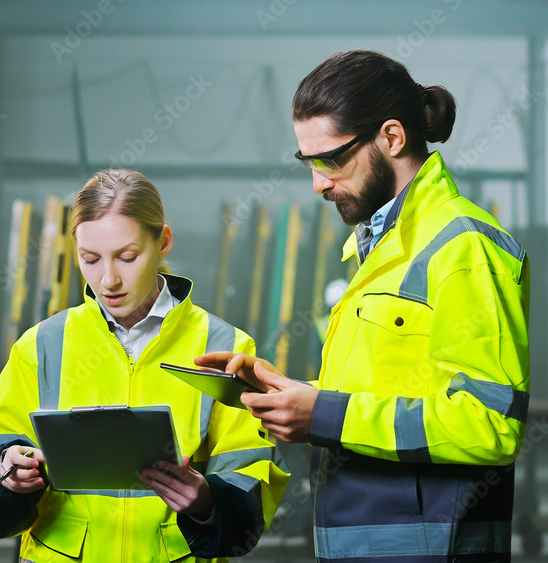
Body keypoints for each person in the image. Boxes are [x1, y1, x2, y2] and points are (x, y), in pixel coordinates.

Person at [198, 50, 530, 562]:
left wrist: (325, 415)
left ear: (392, 138)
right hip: (364, 543)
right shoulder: (380, 248)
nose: (318, 183)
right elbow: (386, 391)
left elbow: (490, 424)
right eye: (308, 163)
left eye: (331, 159)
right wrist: (291, 394)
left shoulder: (463, 248)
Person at [0, 169, 289, 562]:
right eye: (90, 259)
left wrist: (206, 499)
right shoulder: (43, 345)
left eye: (127, 257)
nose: (108, 280)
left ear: (163, 242)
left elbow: (253, 473)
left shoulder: (226, 348)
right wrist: (6, 470)